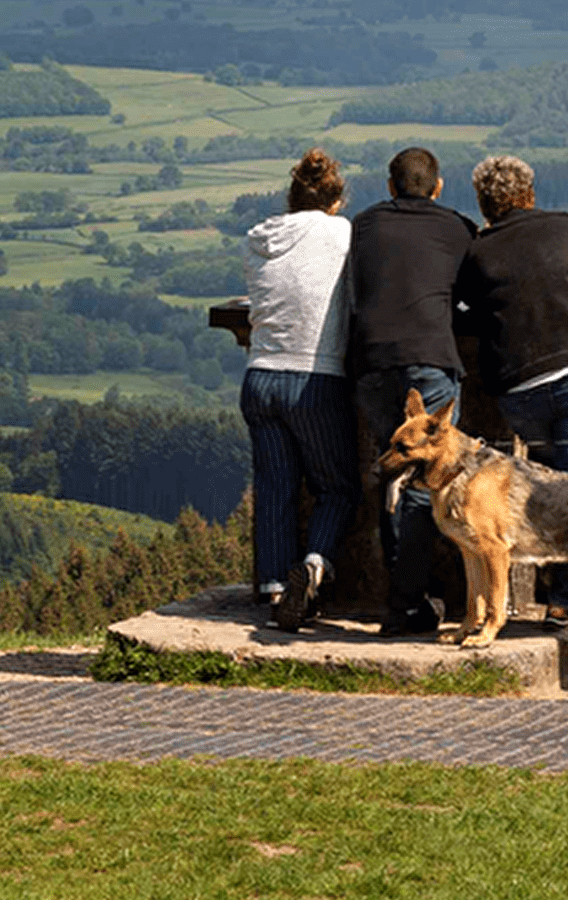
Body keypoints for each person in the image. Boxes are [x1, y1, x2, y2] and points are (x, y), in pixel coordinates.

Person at [455, 155, 568, 629]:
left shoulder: (478, 253)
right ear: (530, 194)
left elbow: (475, 314)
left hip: (524, 390)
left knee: (548, 489)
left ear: (484, 204)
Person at [349, 147, 479, 637]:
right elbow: (473, 294)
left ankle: (402, 600)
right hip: (430, 356)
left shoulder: (363, 225)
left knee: (393, 472)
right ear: (438, 187)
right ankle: (405, 604)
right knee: (428, 481)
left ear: (390, 186)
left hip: (372, 360)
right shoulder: (457, 227)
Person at [240, 147, 359, 631]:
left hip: (259, 374)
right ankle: (314, 564)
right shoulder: (342, 233)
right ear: (335, 199)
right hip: (314, 375)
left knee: (275, 487)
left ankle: (272, 591)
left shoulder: (257, 238)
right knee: (337, 487)